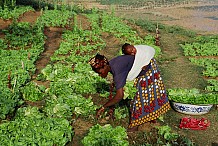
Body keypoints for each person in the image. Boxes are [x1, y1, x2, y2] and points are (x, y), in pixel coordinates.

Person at [88, 43, 171, 132]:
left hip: (148, 69)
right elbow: (121, 74)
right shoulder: (111, 64)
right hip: (145, 66)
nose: (100, 75)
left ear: (105, 66)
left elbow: (119, 96)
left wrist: (104, 107)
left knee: (140, 100)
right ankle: (149, 117)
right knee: (145, 97)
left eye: (100, 72)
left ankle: (135, 125)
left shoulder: (116, 70)